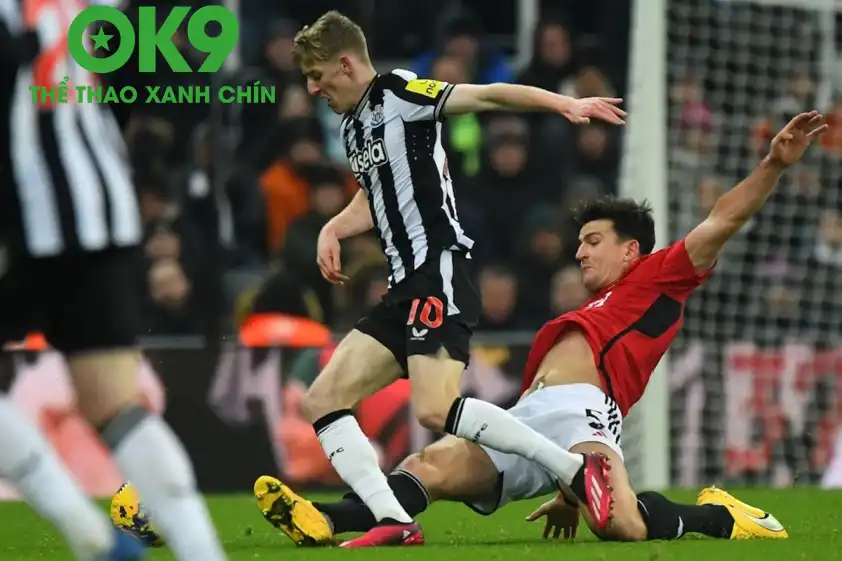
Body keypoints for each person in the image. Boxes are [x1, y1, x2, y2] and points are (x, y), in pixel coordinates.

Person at [254, 111, 827, 545]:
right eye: (579, 243)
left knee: (621, 526)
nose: (579, 253)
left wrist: (773, 164)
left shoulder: (659, 277)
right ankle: (325, 518)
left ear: (632, 250)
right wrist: (565, 491)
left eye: (593, 241)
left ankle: (719, 516)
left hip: (584, 414)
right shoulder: (584, 311)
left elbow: (722, 220)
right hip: (526, 419)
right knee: (427, 468)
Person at [251, 10, 628, 548]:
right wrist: (333, 226)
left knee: (434, 408)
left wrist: (563, 103)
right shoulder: (353, 125)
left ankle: (572, 470)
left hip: (437, 270)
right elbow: (376, 194)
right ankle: (394, 520)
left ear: (346, 63)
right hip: (402, 286)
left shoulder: (401, 93)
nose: (312, 89)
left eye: (317, 75)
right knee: (321, 400)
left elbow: (489, 95)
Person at [0, 2, 227, 560]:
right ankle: (202, 552)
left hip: (23, 214)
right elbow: (162, 65)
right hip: (102, 209)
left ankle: (94, 539)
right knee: (114, 403)